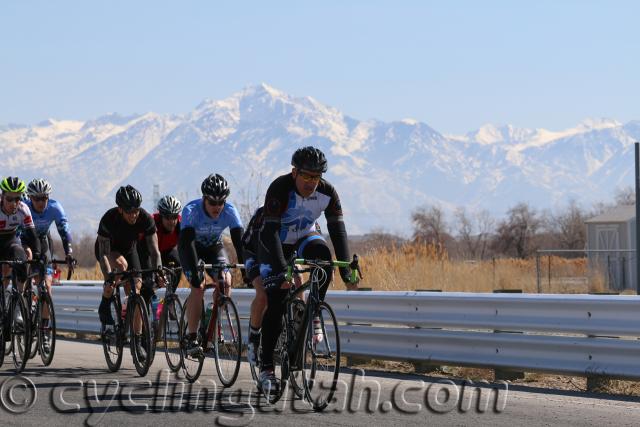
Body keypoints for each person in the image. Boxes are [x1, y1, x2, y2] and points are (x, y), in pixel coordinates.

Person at [256, 146, 358, 390]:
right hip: (276, 242)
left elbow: (337, 230)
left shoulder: (328, 192)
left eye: (316, 177)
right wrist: (282, 269)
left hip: (305, 237)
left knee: (324, 259)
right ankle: (267, 368)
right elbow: (269, 232)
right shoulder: (279, 188)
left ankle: (313, 314)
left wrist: (346, 271)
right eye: (306, 176)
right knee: (277, 300)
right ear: (294, 173)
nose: (311, 182)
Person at [95, 185, 165, 360]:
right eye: (129, 212)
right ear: (120, 209)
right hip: (108, 250)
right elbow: (103, 253)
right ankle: (105, 302)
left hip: (129, 249)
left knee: (137, 289)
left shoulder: (146, 218)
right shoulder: (109, 219)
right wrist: (108, 277)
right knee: (120, 267)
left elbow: (155, 251)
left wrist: (159, 271)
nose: (134, 215)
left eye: (136, 210)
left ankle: (137, 339)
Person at [178, 174, 244, 356]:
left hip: (214, 247)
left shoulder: (230, 211)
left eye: (220, 202)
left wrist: (247, 268)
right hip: (191, 247)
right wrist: (194, 272)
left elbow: (240, 244)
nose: (217, 207)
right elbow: (186, 243)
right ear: (204, 199)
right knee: (197, 287)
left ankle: (211, 315)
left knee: (226, 281)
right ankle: (192, 337)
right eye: (212, 203)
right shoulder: (191, 211)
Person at [24, 178, 73, 352]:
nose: (40, 202)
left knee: (47, 287)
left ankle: (44, 331)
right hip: (25, 241)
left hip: (43, 242)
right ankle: (23, 305)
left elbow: (64, 231)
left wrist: (69, 253)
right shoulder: (23, 206)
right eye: (36, 198)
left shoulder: (54, 207)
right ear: (30, 197)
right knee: (26, 274)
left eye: (44, 198)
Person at [0, 177, 41, 291]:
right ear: (2, 197)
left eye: (17, 198)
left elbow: (32, 235)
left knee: (22, 264)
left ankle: (19, 301)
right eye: (9, 198)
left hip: (11, 241)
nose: (13, 203)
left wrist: (37, 254)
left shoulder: (23, 209)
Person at [137, 195, 182, 269]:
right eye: (168, 217)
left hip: (166, 251)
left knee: (177, 262)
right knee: (149, 273)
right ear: (161, 216)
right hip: (147, 252)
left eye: (174, 217)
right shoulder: (151, 222)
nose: (172, 221)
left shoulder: (181, 224)